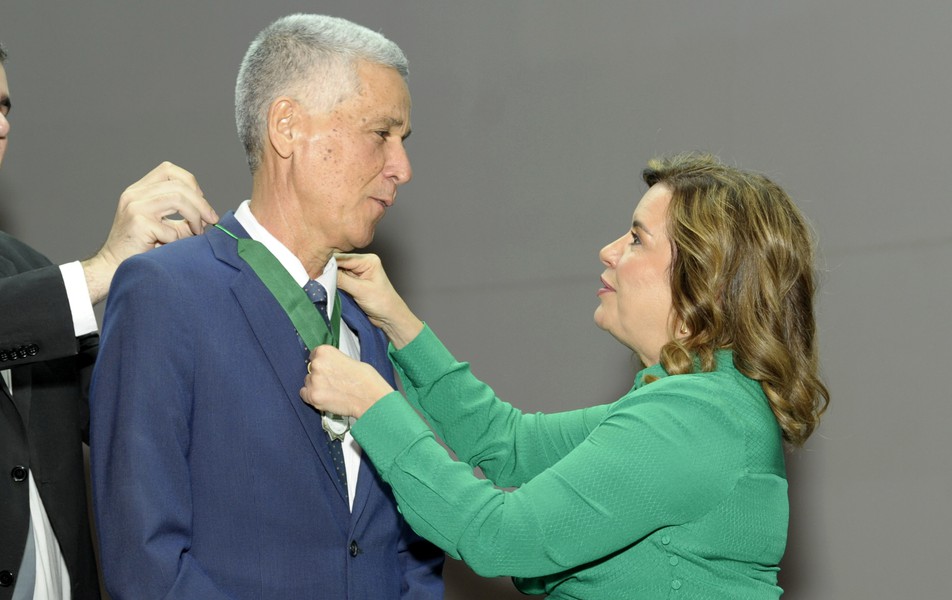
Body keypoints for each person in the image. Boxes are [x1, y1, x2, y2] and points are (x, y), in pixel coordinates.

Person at [301, 152, 830, 599]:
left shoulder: (695, 420)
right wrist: (399, 323)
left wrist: (374, 408)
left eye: (637, 239)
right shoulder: (705, 402)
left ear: (707, 281)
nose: (609, 251)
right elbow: (508, 442)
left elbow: (496, 534)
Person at [89, 14, 443, 600]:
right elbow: (147, 562)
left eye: (403, 141)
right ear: (287, 127)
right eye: (381, 133)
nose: (402, 167)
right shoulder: (165, 294)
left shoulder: (370, 316)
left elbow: (412, 542)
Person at [0, 42, 218, 600]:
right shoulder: (56, 286)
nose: (0, 124)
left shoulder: (30, 270)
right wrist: (103, 268)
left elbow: (125, 412)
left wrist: (192, 287)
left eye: (3, 107)